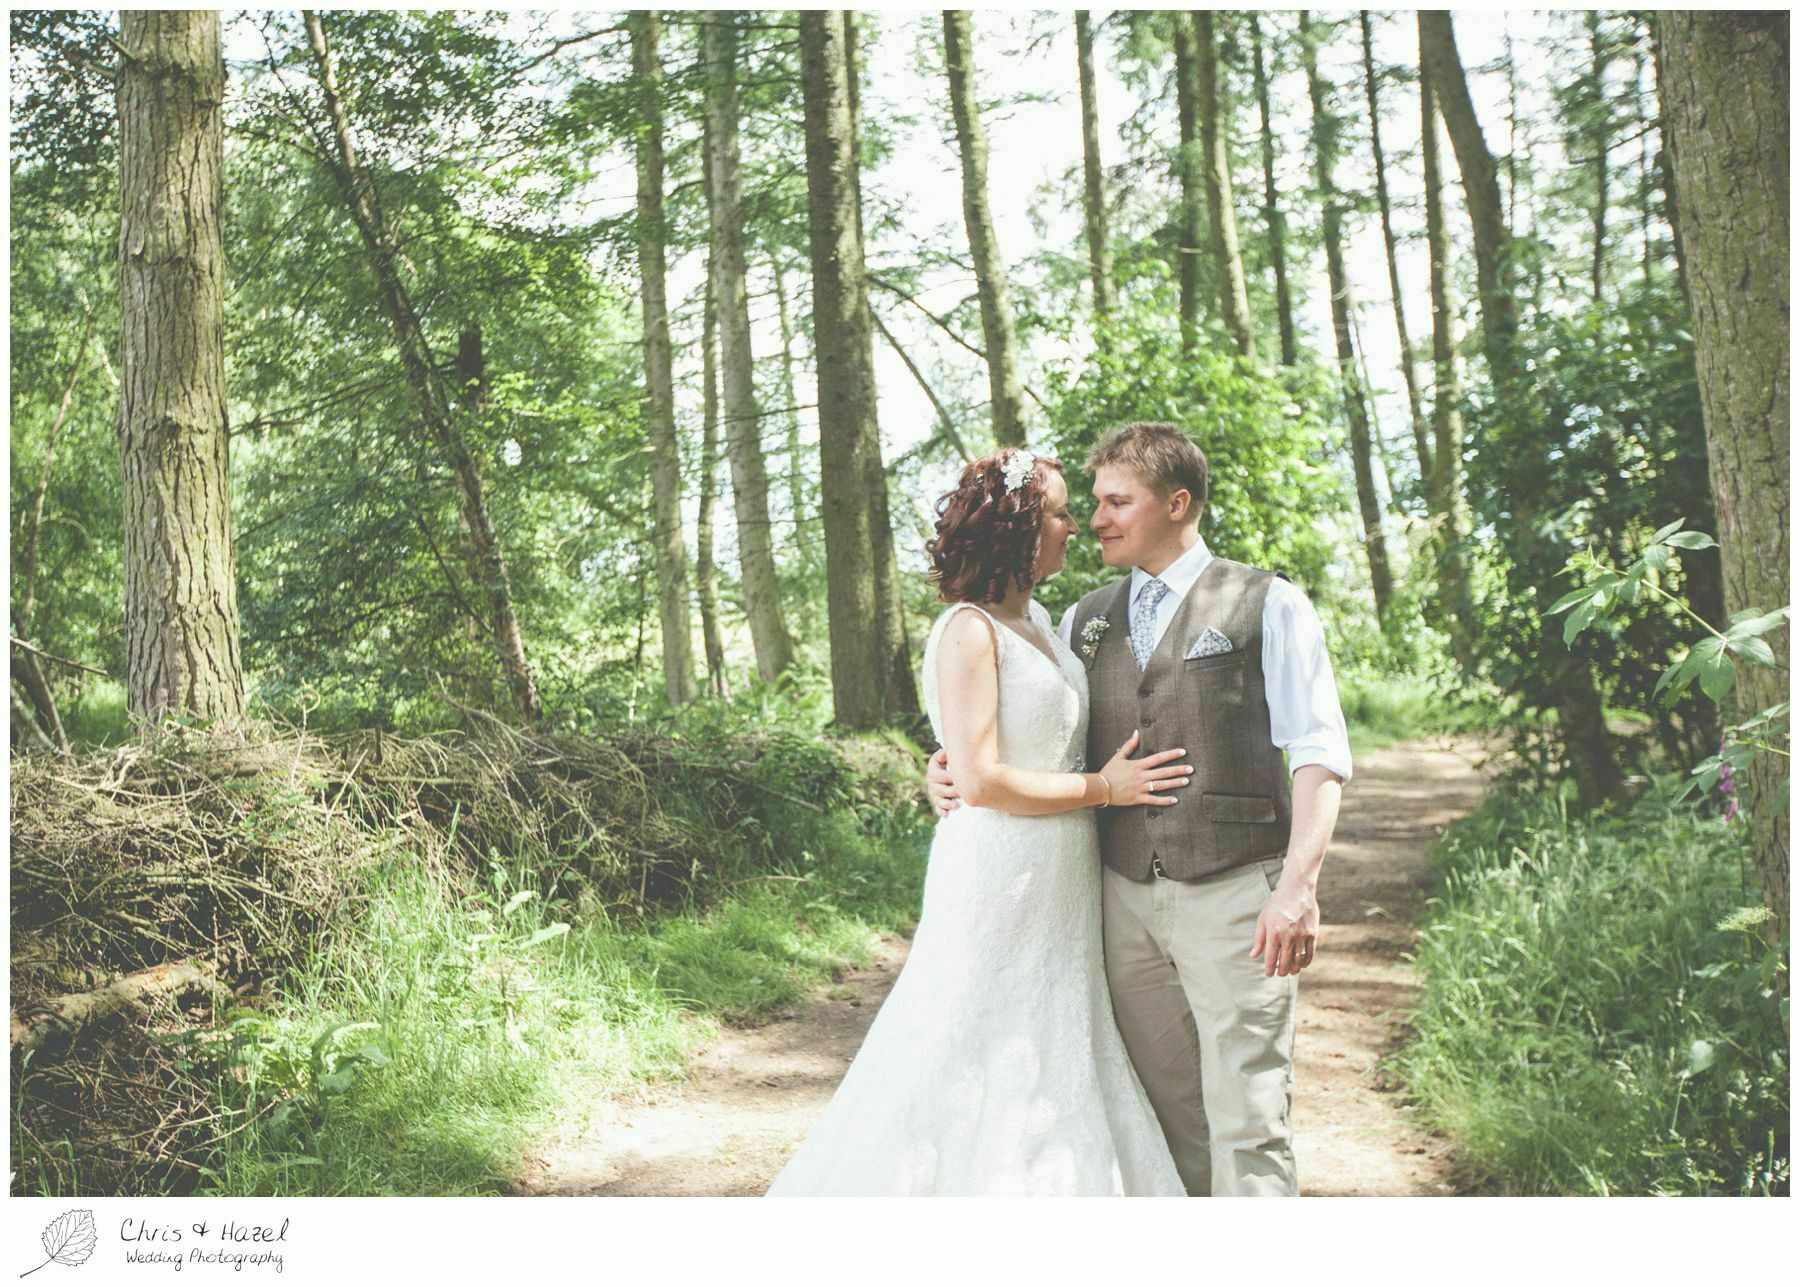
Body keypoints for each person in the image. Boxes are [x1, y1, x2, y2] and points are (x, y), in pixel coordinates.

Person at [927, 422, 1351, 1197]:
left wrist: (1298, 887)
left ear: (1177, 502)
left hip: (1234, 893)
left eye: (1118, 501)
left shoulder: (1270, 602)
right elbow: (1033, 727)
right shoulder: (1081, 618)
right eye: (1089, 503)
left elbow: (1320, 753)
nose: (1096, 520)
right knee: (1166, 1117)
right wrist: (946, 766)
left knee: (1250, 1115)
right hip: (1116, 898)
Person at [766, 448, 1189, 1196]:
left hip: (1059, 876)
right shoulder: (967, 630)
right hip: (998, 874)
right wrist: (1105, 788)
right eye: (1060, 512)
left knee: (1055, 1039)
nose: (1077, 525)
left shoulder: (1041, 623)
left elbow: (1013, 739)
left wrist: (957, 762)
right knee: (964, 1037)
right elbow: (985, 779)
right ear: (1018, 529)